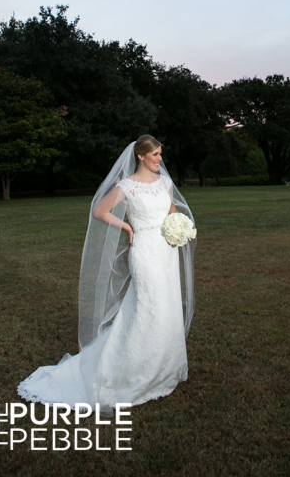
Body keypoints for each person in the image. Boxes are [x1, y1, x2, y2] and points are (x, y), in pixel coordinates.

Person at [17, 135, 196, 415]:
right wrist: (127, 228)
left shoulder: (165, 183)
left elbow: (171, 209)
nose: (160, 159)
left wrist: (177, 225)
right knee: (150, 306)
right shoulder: (127, 186)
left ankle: (166, 366)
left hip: (166, 250)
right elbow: (100, 210)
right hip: (145, 251)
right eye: (156, 155)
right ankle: (137, 371)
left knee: (168, 305)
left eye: (161, 154)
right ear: (141, 156)